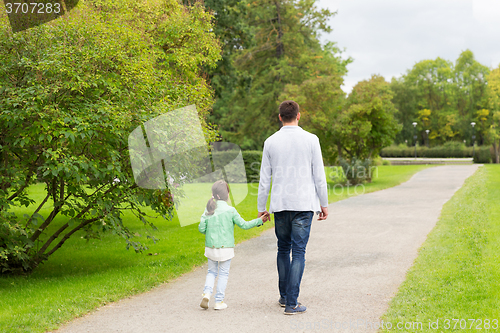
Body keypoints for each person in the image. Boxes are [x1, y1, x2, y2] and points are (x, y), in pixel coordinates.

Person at [257, 100, 329, 315]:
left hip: (280, 205)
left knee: (282, 249)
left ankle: (284, 297)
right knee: (298, 252)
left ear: (280, 117)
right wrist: (323, 204)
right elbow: (319, 176)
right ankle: (292, 303)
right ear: (299, 115)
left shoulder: (270, 142)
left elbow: (264, 179)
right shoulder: (311, 140)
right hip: (303, 204)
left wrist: (262, 207)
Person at [199, 180, 269, 310]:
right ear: (226, 195)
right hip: (226, 249)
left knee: (211, 272)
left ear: (214, 194)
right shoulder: (231, 211)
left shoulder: (208, 210)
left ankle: (207, 293)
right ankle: (218, 302)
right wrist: (259, 221)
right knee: (223, 274)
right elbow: (244, 225)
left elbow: (202, 229)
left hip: (211, 248)